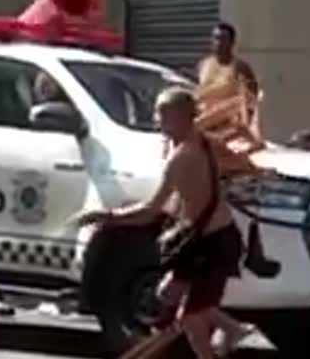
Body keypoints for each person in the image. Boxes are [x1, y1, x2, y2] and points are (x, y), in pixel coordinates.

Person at [74, 87, 251, 359]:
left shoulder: (180, 159)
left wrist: (108, 218)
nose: (156, 120)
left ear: (180, 117)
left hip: (210, 244)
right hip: (211, 239)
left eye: (162, 114)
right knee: (172, 297)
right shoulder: (204, 141)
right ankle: (225, 335)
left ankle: (233, 329)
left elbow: (150, 210)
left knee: (191, 314)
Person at [194, 22, 263, 156]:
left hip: (229, 128)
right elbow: (199, 93)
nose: (218, 43)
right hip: (205, 124)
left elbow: (251, 101)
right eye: (215, 38)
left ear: (232, 42)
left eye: (223, 39)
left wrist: (244, 128)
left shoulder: (241, 68)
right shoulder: (203, 65)